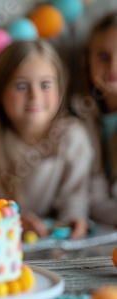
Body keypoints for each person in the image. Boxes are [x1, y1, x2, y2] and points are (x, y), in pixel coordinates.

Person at [0, 40, 94, 240]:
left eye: (45, 84)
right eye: (21, 86)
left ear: (60, 88)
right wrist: (14, 221)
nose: (35, 96)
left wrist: (74, 219)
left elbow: (75, 195)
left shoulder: (72, 137)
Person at [70, 12, 117, 225]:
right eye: (103, 56)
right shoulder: (79, 115)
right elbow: (90, 196)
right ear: (87, 60)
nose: (113, 67)